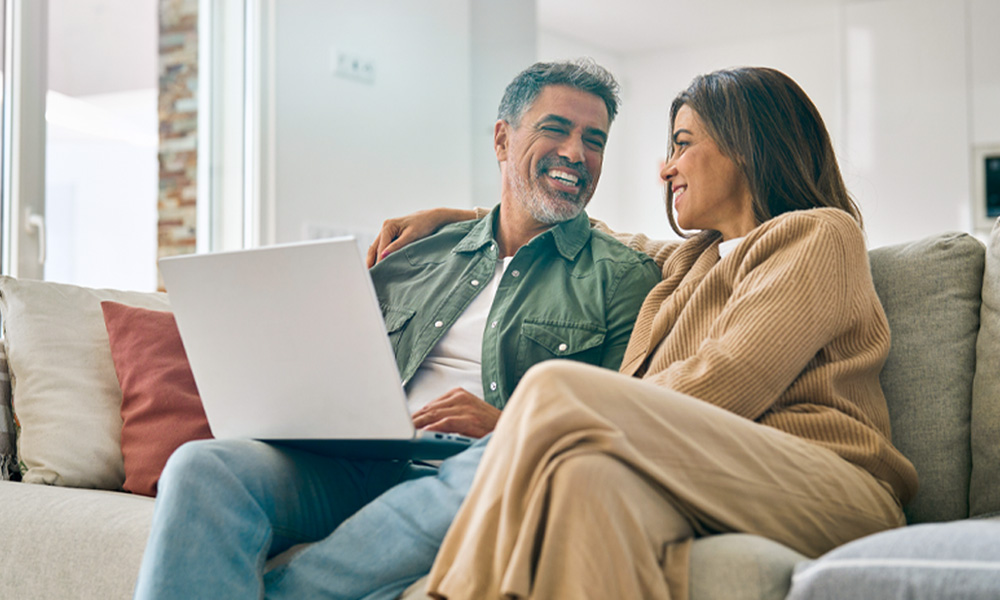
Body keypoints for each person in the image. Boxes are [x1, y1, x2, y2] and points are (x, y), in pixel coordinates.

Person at [362, 66, 919, 599]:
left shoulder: (819, 234)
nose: (665, 168)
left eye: (682, 144)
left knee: (552, 389)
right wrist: (461, 217)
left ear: (746, 146)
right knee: (583, 478)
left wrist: (530, 423)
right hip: (708, 473)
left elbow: (728, 381)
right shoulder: (691, 262)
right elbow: (577, 229)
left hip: (825, 480)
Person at [132, 60, 660, 599]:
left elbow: (612, 426)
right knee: (204, 465)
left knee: (503, 467)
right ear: (503, 139)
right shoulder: (414, 253)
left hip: (478, 469)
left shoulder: (623, 279)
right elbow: (339, 363)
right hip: (359, 465)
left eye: (594, 140)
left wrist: (506, 427)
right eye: (556, 129)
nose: (577, 153)